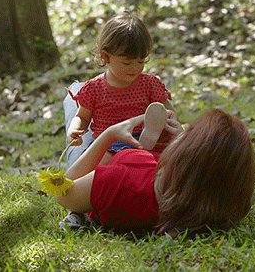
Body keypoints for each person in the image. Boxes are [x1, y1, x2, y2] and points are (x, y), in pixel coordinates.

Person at [57, 108, 255, 236]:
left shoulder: (114, 182)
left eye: (188, 134)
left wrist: (108, 135)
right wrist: (182, 139)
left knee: (75, 100)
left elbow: (64, 194)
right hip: (151, 162)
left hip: (107, 159)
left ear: (186, 158)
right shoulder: (209, 208)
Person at [64, 13, 174, 170]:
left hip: (145, 137)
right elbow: (82, 116)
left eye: (140, 61)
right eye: (127, 63)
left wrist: (169, 120)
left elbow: (167, 110)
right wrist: (75, 129)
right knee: (97, 168)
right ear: (106, 56)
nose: (135, 68)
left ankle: (147, 144)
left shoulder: (149, 83)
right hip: (110, 143)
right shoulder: (94, 88)